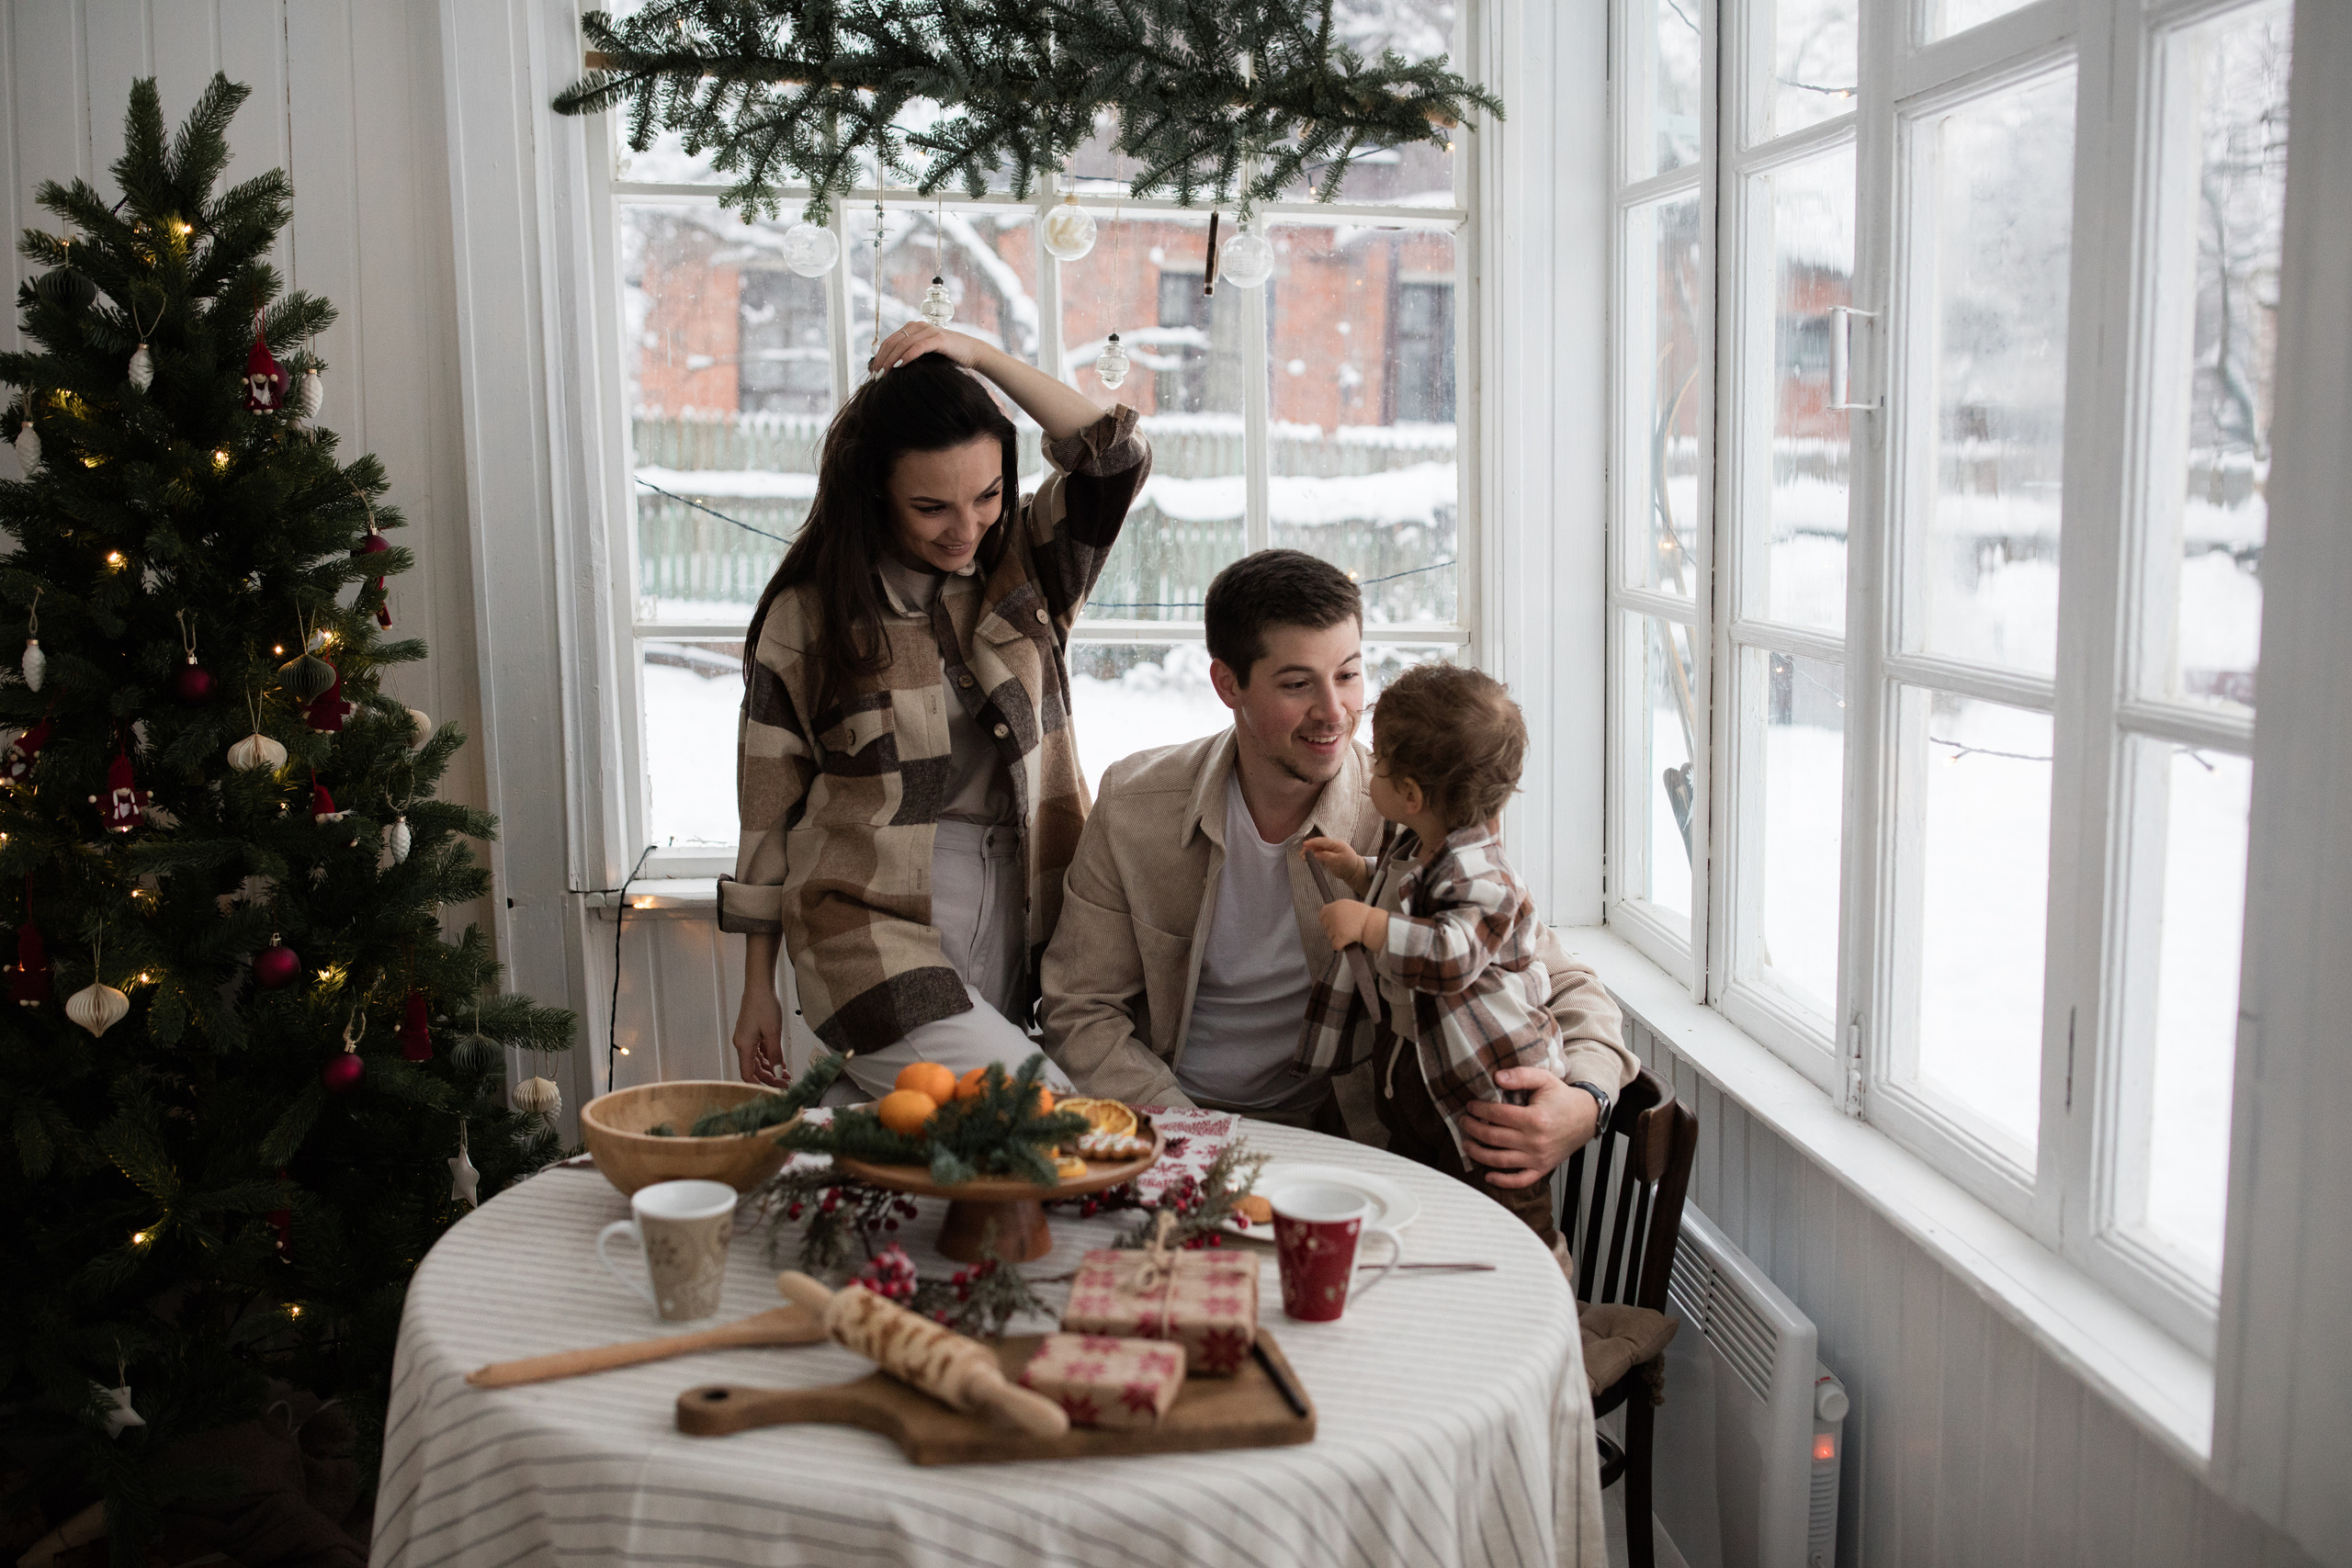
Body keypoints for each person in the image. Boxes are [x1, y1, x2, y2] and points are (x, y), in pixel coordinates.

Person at [1040, 550, 1634, 1196]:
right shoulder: (1133, 806)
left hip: (1346, 1143)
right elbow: (1081, 1007)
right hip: (1168, 1126)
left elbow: (1558, 977)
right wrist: (1197, 1139)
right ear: (1227, 684)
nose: (1336, 712)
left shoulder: (1413, 811)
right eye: (1298, 684)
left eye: (1348, 674)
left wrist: (1585, 1099)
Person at [724, 321, 1150, 1100]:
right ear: (875, 491)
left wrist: (977, 357)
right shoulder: (809, 614)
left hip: (1021, 906)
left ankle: (819, 1158)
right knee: (1043, 1112)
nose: (967, 527)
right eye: (931, 507)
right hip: (864, 923)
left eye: (988, 494)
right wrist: (756, 985)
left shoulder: (1028, 570)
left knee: (933, 1138)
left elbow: (1114, 456)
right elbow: (768, 815)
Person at [1295, 663, 1577, 1244]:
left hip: (1487, 1095)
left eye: (1379, 764)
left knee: (1506, 1219)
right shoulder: (1421, 846)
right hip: (1424, 1072)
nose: (1367, 769)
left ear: (1410, 794)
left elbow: (1451, 955)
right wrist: (1358, 872)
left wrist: (1370, 924)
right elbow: (1417, 894)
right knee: (1425, 1207)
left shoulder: (1489, 875)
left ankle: (1541, 1299)